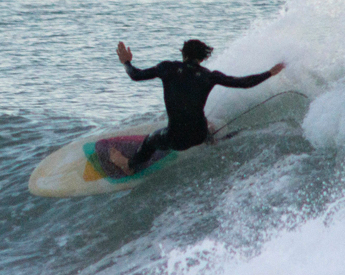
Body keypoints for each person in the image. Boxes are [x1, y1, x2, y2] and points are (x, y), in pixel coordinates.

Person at [110, 39, 285, 175]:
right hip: (199, 135)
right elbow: (244, 83)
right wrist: (270, 72)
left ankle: (129, 165)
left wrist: (126, 62)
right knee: (202, 120)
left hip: (175, 140)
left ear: (183, 53)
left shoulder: (167, 68)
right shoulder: (209, 76)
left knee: (150, 140)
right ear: (204, 58)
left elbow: (136, 75)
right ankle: (210, 139)